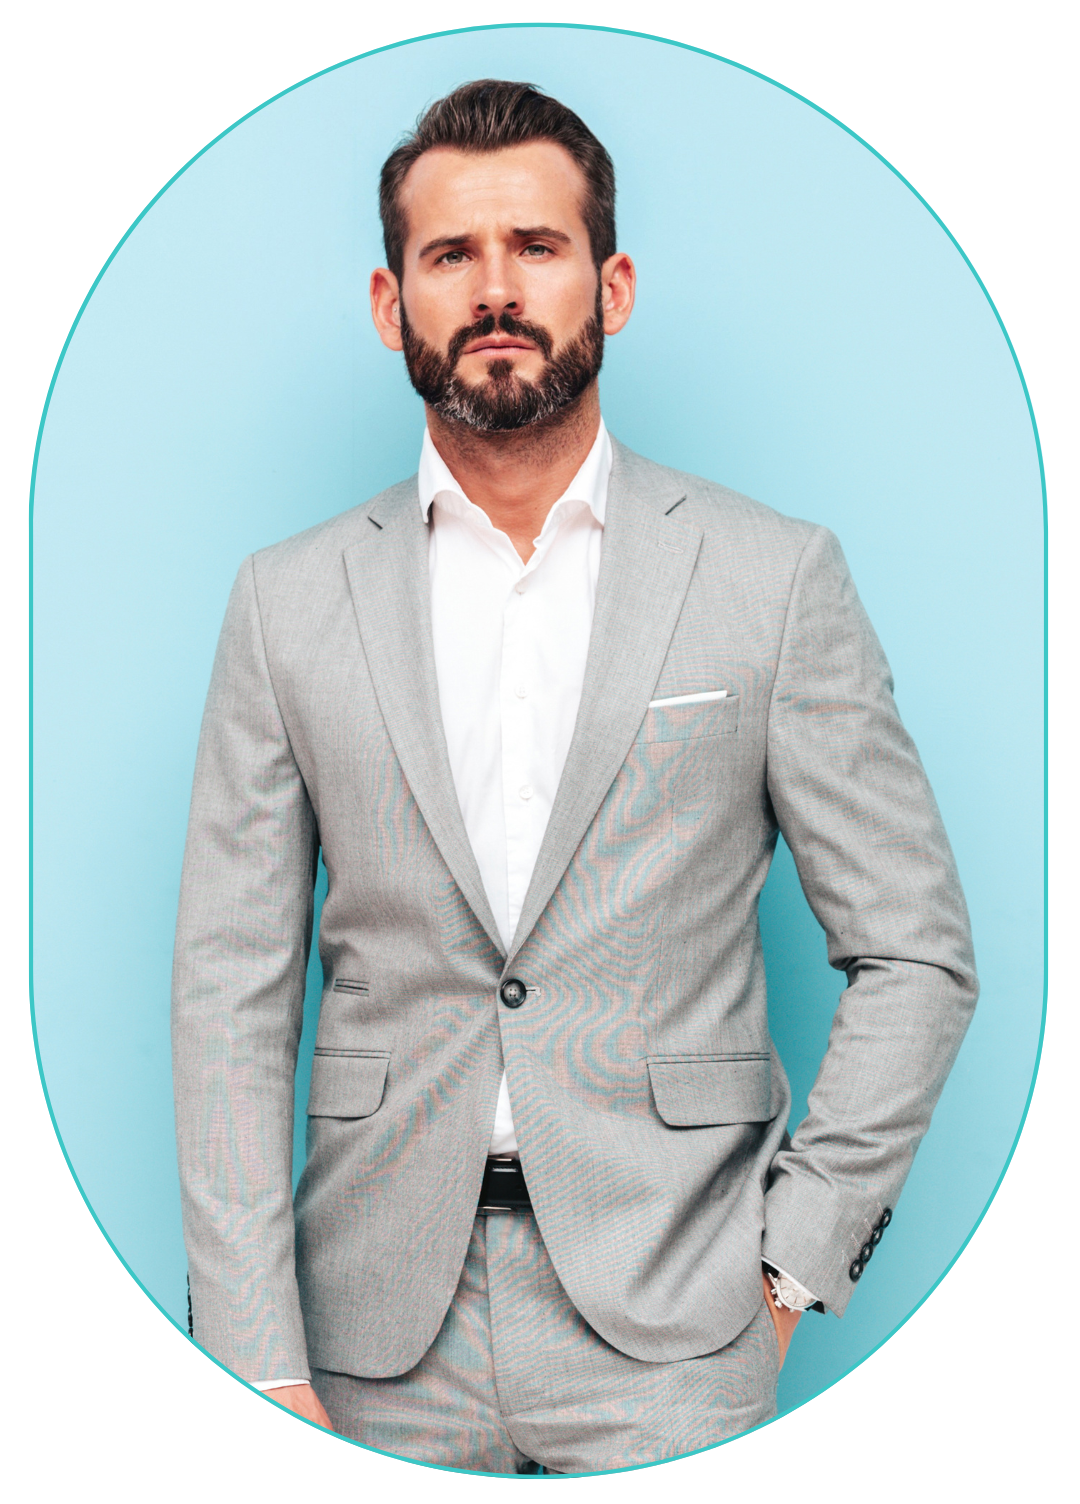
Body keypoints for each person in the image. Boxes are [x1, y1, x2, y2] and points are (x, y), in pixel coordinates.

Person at [172, 79, 978, 1474]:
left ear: (611, 286)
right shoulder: (284, 603)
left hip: (679, 1326)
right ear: (391, 304)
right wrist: (257, 1353)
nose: (496, 289)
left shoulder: (773, 578)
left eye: (536, 247)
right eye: (451, 254)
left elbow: (917, 951)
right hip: (370, 1330)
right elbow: (228, 999)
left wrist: (790, 1271)